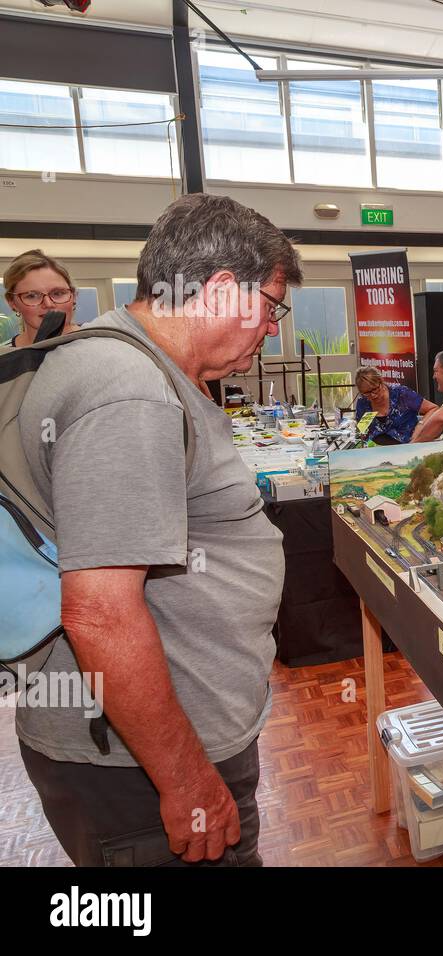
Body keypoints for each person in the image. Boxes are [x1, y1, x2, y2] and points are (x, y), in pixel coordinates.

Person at [16, 193, 303, 866]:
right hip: (143, 771)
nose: (272, 330)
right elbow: (102, 615)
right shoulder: (129, 389)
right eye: (271, 307)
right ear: (226, 290)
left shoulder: (131, 360)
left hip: (145, 750)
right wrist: (184, 780)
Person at [3, 250, 80, 346]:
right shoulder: (5, 357)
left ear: (74, 296)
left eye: (58, 293)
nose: (48, 304)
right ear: (12, 303)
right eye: (32, 296)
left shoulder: (99, 344)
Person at [352, 366, 436, 444]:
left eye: (375, 389)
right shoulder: (363, 402)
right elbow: (362, 430)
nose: (373, 395)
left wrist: (420, 426)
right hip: (378, 453)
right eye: (367, 393)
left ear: (381, 381)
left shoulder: (402, 394)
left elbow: (433, 408)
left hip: (408, 448)